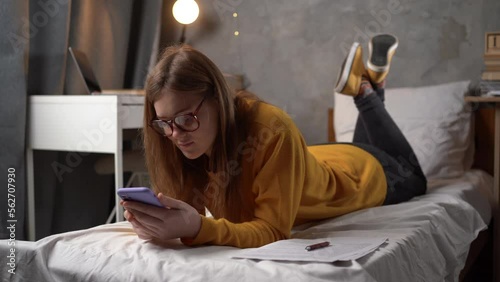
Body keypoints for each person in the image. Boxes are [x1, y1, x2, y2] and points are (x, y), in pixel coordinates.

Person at [120, 34, 427, 248]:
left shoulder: (272, 128)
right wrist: (157, 223)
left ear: (218, 99)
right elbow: (191, 212)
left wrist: (199, 228)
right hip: (330, 157)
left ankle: (365, 92)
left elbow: (273, 231)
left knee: (416, 178)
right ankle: (370, 81)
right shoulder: (190, 143)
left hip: (369, 174)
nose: (175, 135)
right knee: (371, 147)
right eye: (165, 124)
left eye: (187, 119)